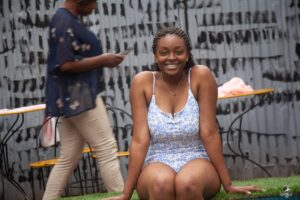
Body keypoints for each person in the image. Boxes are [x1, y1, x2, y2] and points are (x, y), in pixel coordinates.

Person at [107, 26, 261, 200]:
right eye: (164, 52)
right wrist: (126, 194)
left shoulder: (200, 76)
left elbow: (209, 133)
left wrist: (228, 184)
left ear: (187, 54)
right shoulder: (142, 82)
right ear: (155, 56)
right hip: (156, 160)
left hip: (196, 157)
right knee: (160, 184)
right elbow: (139, 140)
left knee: (187, 184)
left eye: (178, 52)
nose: (171, 58)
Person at [43, 0, 125, 199]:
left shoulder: (64, 19)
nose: (95, 7)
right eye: (94, 1)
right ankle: (121, 196)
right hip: (79, 99)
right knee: (106, 149)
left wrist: (103, 60)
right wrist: (103, 60)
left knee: (67, 159)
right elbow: (64, 64)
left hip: (72, 99)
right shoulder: (63, 21)